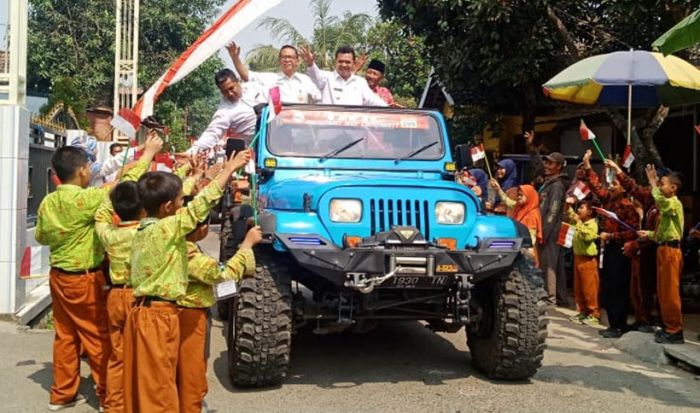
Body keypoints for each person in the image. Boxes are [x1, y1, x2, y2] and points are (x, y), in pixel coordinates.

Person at [35, 137, 160, 411]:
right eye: (89, 166)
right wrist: (149, 153)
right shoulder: (88, 198)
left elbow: (42, 236)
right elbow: (123, 187)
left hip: (58, 276)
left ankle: (62, 394)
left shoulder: (47, 203)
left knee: (65, 336)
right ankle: (108, 396)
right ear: (81, 171)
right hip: (85, 278)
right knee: (97, 337)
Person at [94, 135, 163, 413]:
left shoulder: (108, 232)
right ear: (145, 207)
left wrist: (141, 160)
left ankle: (112, 405)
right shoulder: (148, 232)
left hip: (114, 297)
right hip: (139, 299)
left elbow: (102, 211)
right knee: (144, 355)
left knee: (117, 354)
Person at [177, 217, 262, 413]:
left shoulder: (181, 246)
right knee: (192, 372)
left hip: (186, 313)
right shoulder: (188, 253)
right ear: (200, 228)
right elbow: (222, 275)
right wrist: (247, 245)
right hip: (191, 315)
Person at [584, 152, 640, 338]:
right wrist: (587, 166)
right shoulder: (609, 200)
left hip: (620, 249)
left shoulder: (627, 206)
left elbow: (633, 231)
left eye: (615, 184)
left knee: (618, 287)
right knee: (607, 286)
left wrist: (612, 235)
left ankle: (619, 325)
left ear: (623, 188)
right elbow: (596, 186)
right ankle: (613, 323)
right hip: (608, 248)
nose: (611, 186)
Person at [605, 158, 662, 333]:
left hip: (659, 249)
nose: (651, 187)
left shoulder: (666, 203)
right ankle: (642, 319)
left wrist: (634, 241)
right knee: (639, 289)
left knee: (659, 290)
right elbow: (633, 188)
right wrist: (616, 169)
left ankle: (666, 326)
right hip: (642, 249)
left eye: (659, 183)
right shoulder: (650, 199)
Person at [638, 165, 685, 344]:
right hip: (663, 248)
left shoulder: (673, 202)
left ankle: (675, 330)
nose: (659, 186)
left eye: (662, 183)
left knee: (670, 292)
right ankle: (668, 326)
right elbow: (662, 232)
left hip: (671, 251)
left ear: (673, 187)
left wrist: (651, 182)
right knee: (663, 291)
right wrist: (648, 234)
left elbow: (663, 204)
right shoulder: (667, 205)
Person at [188, 68, 267, 154]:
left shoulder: (254, 87)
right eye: (225, 91)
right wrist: (192, 151)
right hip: (258, 150)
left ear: (238, 81)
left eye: (231, 88)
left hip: (278, 136)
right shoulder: (224, 112)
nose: (230, 94)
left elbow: (276, 94)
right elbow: (212, 133)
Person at [228, 42, 321, 104]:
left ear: (297, 61)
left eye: (290, 57)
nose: (287, 60)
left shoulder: (305, 80)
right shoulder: (270, 79)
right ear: (279, 61)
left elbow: (318, 100)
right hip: (279, 129)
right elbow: (246, 75)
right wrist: (235, 58)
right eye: (284, 57)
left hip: (303, 127)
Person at [299, 45, 388, 106]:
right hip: (329, 131)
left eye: (347, 62)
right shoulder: (326, 78)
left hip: (354, 132)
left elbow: (373, 101)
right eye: (340, 61)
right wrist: (310, 63)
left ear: (353, 63)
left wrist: (391, 110)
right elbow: (315, 74)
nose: (344, 65)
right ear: (335, 62)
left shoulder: (360, 82)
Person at [537, 151, 571, 305]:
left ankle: (549, 297)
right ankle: (561, 298)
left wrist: (544, 231)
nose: (546, 166)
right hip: (549, 229)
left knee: (549, 264)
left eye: (550, 163)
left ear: (558, 166)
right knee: (555, 264)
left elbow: (553, 210)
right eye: (546, 162)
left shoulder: (557, 186)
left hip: (551, 231)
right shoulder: (549, 183)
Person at [565, 198, 601, 326]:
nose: (579, 210)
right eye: (579, 207)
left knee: (589, 288)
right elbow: (570, 214)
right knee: (579, 288)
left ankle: (594, 313)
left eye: (582, 208)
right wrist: (568, 205)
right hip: (578, 258)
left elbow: (588, 237)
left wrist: (579, 223)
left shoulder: (592, 224)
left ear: (590, 212)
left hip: (588, 260)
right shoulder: (580, 221)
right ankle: (583, 311)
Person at [492, 180, 542, 266]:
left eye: (521, 195)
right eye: (518, 195)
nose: (518, 197)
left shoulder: (531, 215)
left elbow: (531, 240)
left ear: (529, 196)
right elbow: (509, 202)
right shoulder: (521, 207)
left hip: (526, 253)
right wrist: (498, 190)